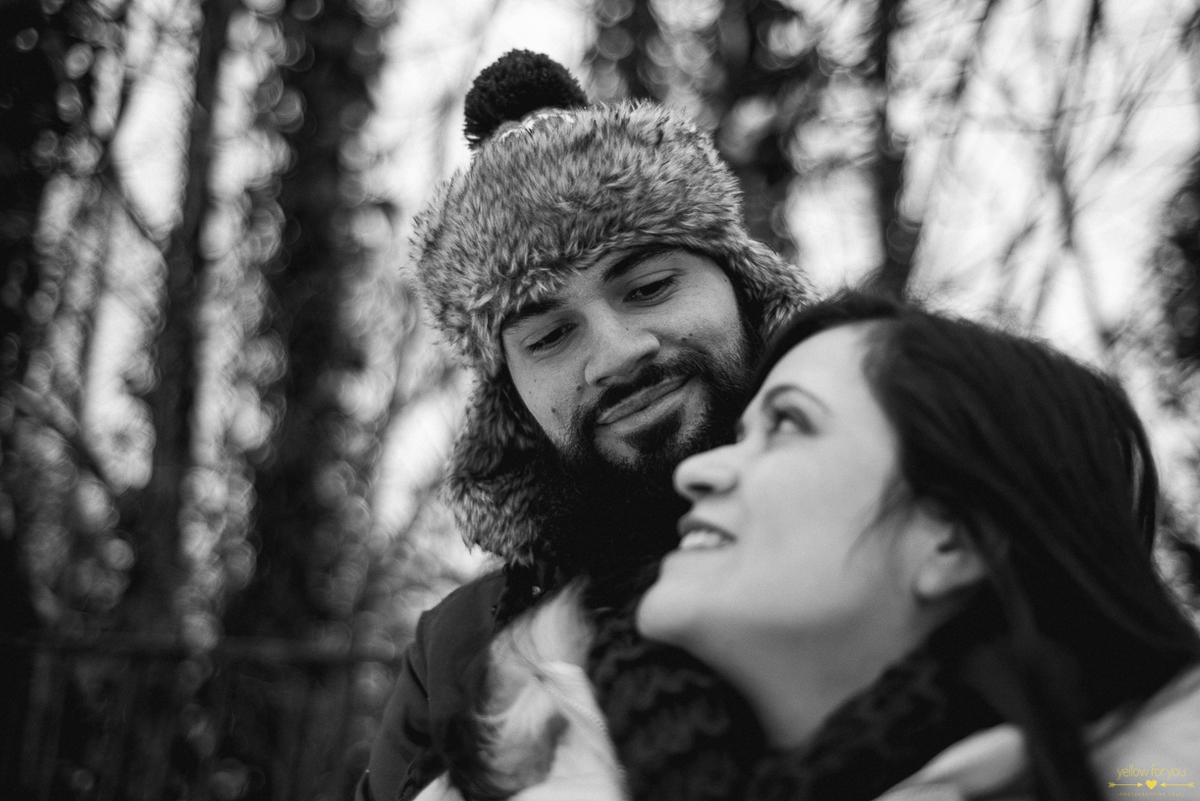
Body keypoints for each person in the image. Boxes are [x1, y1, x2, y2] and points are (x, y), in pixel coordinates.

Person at [448, 290, 1200, 801]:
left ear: (956, 539)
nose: (701, 471)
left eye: (788, 425)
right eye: (547, 335)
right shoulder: (531, 752)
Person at [364, 50, 808, 801]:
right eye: (549, 337)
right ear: (511, 398)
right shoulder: (456, 654)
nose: (616, 354)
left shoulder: (916, 522)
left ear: (744, 286)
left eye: (650, 286)